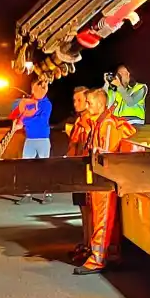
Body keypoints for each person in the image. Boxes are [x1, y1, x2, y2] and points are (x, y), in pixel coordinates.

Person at [75, 88, 136, 275]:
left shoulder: (107, 124)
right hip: (100, 180)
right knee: (106, 219)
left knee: (102, 219)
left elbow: (105, 153)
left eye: (90, 103)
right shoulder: (100, 122)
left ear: (100, 105)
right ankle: (110, 254)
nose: (87, 106)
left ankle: (97, 260)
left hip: (104, 180)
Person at [65, 86, 94, 264]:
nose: (76, 104)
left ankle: (90, 245)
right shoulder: (79, 121)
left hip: (84, 171)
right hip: (75, 169)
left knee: (88, 210)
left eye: (79, 100)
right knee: (82, 209)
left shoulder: (88, 122)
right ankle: (85, 243)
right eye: (74, 100)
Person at [13, 77, 53, 204]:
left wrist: (23, 122)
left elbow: (40, 120)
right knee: (26, 167)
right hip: (29, 139)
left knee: (44, 168)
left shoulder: (47, 104)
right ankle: (27, 194)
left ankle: (48, 193)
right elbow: (21, 115)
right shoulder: (29, 102)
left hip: (42, 139)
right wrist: (18, 122)